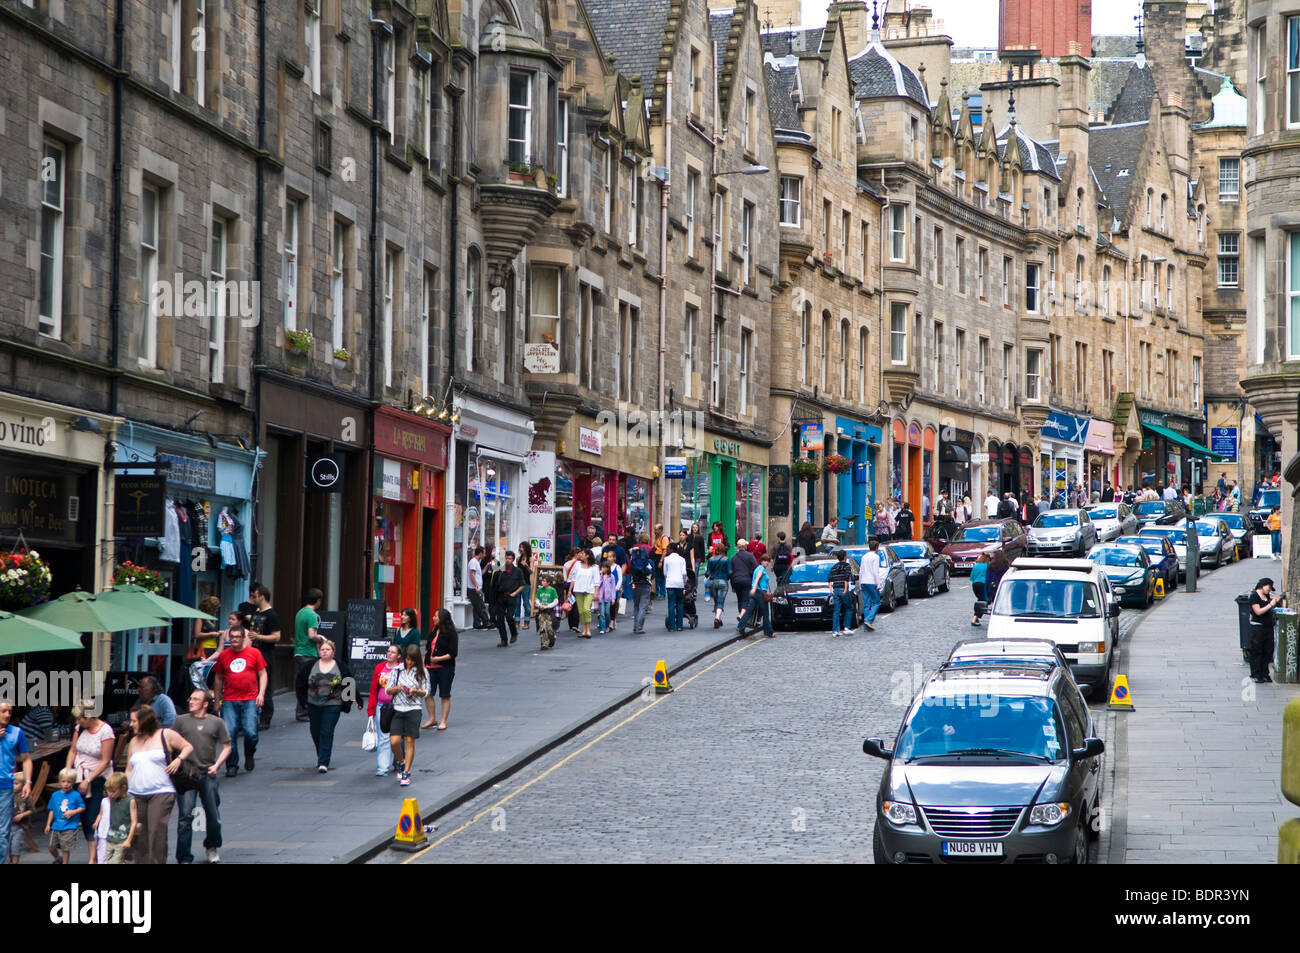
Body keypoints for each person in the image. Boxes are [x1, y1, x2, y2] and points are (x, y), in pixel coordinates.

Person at [126, 704, 193, 865]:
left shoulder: (165, 734)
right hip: (136, 793)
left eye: (134, 721)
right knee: (139, 833)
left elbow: (187, 746)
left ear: (144, 721)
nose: (131, 724)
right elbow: (129, 769)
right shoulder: (134, 741)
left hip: (161, 792)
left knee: (156, 833)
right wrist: (127, 791)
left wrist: (178, 759)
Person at [172, 688, 230, 864]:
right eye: (190, 698)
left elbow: (227, 746)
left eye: (196, 699)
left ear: (205, 704)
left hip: (207, 773)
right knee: (185, 817)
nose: (191, 701)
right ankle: (184, 856)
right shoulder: (180, 721)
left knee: (213, 815)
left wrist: (217, 765)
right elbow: (170, 743)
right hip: (186, 775)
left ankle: (212, 845)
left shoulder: (216, 723)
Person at [212, 626, 267, 777]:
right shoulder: (224, 656)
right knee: (229, 733)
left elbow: (262, 674)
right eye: (232, 637)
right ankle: (232, 765)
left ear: (243, 638)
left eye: (237, 637)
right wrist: (217, 701)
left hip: (250, 698)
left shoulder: (254, 653)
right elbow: (218, 678)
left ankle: (249, 754)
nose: (234, 639)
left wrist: (261, 694)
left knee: (251, 732)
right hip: (229, 699)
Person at [64, 702, 114, 849]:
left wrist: (89, 780)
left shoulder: (105, 731)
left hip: (98, 778)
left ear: (90, 715)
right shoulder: (79, 729)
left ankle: (97, 854)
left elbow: (106, 761)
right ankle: (93, 853)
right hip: (79, 776)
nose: (77, 722)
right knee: (84, 818)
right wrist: (68, 770)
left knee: (93, 816)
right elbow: (73, 750)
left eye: (80, 718)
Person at [384, 644, 428, 786]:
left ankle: (406, 772)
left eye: (413, 660)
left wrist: (414, 691)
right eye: (408, 659)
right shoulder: (397, 670)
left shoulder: (422, 672)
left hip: (414, 709)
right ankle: (401, 762)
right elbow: (387, 690)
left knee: (409, 741)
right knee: (394, 741)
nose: (410, 662)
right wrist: (398, 688)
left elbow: (426, 692)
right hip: (398, 708)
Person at [305, 639, 349, 772]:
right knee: (315, 731)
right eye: (322, 649)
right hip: (314, 703)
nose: (324, 652)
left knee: (326, 731)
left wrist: (352, 702)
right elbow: (300, 682)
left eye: (327, 649)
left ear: (333, 652)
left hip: (333, 703)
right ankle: (321, 754)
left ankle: (323, 761)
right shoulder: (311, 665)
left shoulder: (340, 666)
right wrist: (303, 701)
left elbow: (349, 682)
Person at [0, 703, 33, 861]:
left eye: (9, 712)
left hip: (6, 787)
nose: (7, 715)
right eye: (3, 711)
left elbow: (26, 759)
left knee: (3, 832)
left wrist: (27, 782)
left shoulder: (16, 732)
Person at [248, 584, 282, 731]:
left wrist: (258, 636)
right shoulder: (258, 613)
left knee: (264, 684)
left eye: (254, 596)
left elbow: (277, 636)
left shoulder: (272, 615)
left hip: (265, 653)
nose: (252, 599)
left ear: (262, 596)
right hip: (253, 652)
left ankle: (266, 717)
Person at [367, 644, 402, 775]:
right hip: (381, 706)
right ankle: (382, 768)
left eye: (393, 652)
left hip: (397, 706)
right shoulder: (380, 667)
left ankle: (399, 762)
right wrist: (371, 709)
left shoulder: (401, 668)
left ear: (398, 656)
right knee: (384, 737)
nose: (389, 654)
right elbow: (373, 689)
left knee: (397, 737)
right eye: (388, 651)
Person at [293, 588, 324, 723]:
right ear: (318, 601)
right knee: (308, 684)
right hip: (308, 652)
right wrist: (321, 638)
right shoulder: (312, 615)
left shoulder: (300, 612)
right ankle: (303, 712)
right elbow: (312, 635)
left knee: (304, 682)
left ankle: (303, 711)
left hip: (299, 650)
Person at [93, 773, 136, 865]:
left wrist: (129, 839)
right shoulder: (112, 799)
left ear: (123, 788)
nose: (110, 794)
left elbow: (134, 821)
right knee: (107, 860)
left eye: (113, 791)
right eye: (108, 791)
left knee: (115, 862)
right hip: (110, 837)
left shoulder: (130, 801)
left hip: (122, 838)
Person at [425, 609, 458, 731]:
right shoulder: (433, 631)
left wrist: (438, 659)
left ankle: (443, 720)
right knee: (428, 693)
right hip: (430, 667)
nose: (433, 618)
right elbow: (428, 649)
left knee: (444, 694)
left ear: (442, 618)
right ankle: (432, 718)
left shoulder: (451, 633)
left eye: (436, 616)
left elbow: (453, 653)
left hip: (445, 667)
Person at [45, 768, 85, 864]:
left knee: (65, 848)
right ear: (59, 781)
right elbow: (51, 810)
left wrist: (73, 812)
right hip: (56, 825)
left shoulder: (76, 795)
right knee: (51, 847)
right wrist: (48, 824)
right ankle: (59, 858)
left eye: (69, 782)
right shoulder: (55, 795)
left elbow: (82, 807)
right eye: (63, 781)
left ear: (73, 782)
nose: (66, 784)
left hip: (69, 826)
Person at [1248, 578, 1284, 683]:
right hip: (1258, 627)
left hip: (1268, 627)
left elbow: (1269, 609)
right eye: (1268, 588)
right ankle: (1256, 673)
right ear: (1262, 585)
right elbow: (1258, 612)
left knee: (1268, 650)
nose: (1269, 591)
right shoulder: (1254, 596)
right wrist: (1270, 604)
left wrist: (1276, 604)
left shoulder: (1267, 596)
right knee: (1257, 650)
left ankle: (1265, 673)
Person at [490, 550, 526, 647]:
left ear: (513, 560)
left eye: (510, 559)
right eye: (506, 558)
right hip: (501, 596)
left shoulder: (518, 571)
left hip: (511, 596)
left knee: (509, 617)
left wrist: (515, 593)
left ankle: (514, 633)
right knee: (500, 619)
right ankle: (503, 640)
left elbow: (523, 585)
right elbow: (494, 581)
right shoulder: (500, 570)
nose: (507, 560)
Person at [737, 554, 775, 638]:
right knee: (765, 612)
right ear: (761, 561)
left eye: (768, 561)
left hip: (755, 593)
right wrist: (754, 588)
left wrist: (753, 589)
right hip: (760, 593)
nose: (767, 563)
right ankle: (769, 632)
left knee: (749, 611)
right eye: (765, 561)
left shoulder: (757, 568)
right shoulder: (761, 569)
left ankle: (740, 627)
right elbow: (757, 578)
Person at [570, 550, 600, 638]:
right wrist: (569, 590)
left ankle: (588, 629)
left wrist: (596, 592)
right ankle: (583, 630)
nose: (580, 555)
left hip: (589, 590)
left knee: (586, 609)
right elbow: (573, 578)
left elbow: (597, 581)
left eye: (582, 553)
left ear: (587, 556)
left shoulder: (594, 567)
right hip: (578, 590)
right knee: (581, 611)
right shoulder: (577, 565)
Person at [858, 538, 884, 632]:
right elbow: (875, 571)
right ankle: (868, 620)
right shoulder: (876, 557)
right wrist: (878, 583)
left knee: (867, 604)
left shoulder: (864, 556)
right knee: (877, 602)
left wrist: (860, 582)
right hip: (871, 581)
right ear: (877, 547)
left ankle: (866, 626)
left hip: (864, 581)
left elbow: (861, 571)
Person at [629, 538, 655, 634]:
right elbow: (653, 575)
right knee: (643, 607)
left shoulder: (634, 561)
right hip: (645, 585)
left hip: (635, 585)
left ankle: (635, 626)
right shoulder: (649, 562)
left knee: (636, 605)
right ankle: (639, 627)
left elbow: (630, 571)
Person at [730, 541, 759, 625]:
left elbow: (731, 573)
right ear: (745, 546)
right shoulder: (750, 556)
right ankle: (741, 615)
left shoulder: (733, 558)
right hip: (747, 580)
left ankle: (741, 616)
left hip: (736, 581)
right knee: (746, 599)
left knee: (739, 599)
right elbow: (756, 568)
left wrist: (733, 586)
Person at [829, 550, 856, 637]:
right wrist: (845, 589)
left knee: (836, 610)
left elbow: (830, 579)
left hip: (835, 589)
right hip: (843, 588)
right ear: (845, 557)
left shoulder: (834, 567)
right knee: (849, 607)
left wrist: (831, 589)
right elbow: (846, 578)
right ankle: (846, 627)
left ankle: (835, 630)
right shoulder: (847, 566)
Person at [663, 543, 688, 631]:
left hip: (670, 583)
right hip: (679, 583)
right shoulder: (682, 559)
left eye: (667, 548)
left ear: (671, 549)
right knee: (680, 604)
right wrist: (684, 581)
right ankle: (679, 625)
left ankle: (671, 626)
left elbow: (665, 573)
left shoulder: (666, 559)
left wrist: (668, 578)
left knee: (671, 604)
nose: (666, 550)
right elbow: (684, 573)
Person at [705, 543, 731, 628]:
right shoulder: (726, 560)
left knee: (716, 601)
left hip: (713, 582)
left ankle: (719, 619)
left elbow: (707, 573)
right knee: (720, 601)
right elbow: (730, 572)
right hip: (723, 582)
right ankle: (717, 618)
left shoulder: (711, 559)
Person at [467, 546, 491, 629]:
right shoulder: (473, 562)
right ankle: (486, 622)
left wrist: (487, 565)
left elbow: (480, 573)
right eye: (484, 553)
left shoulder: (477, 562)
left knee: (477, 606)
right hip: (473, 588)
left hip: (476, 588)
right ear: (480, 553)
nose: (484, 555)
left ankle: (477, 624)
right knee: (481, 606)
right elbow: (472, 574)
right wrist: (476, 586)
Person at [535, 574, 559, 649]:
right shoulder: (540, 590)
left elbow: (556, 601)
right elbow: (537, 599)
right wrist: (539, 605)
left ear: (548, 582)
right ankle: (544, 643)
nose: (542, 582)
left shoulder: (552, 590)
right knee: (542, 628)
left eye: (544, 581)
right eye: (542, 580)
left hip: (549, 612)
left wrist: (548, 606)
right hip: (541, 611)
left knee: (549, 629)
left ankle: (552, 638)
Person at [597, 563, 618, 634]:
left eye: (605, 567)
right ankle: (602, 627)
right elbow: (598, 584)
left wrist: (613, 598)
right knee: (602, 612)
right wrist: (601, 576)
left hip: (608, 597)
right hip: (601, 597)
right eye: (602, 567)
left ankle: (607, 625)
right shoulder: (600, 576)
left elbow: (613, 588)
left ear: (608, 568)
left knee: (607, 612)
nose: (603, 569)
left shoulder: (611, 577)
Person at [970, 554, 990, 626]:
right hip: (983, 584)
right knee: (984, 601)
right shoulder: (988, 566)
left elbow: (971, 578)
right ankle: (975, 618)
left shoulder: (976, 565)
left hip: (975, 585)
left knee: (980, 600)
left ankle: (976, 617)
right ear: (987, 559)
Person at [652, 524, 670, 599]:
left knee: (661, 577)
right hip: (656, 557)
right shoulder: (657, 537)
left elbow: (664, 550)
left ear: (661, 530)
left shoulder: (664, 538)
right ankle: (657, 592)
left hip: (660, 557)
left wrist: (661, 561)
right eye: (654, 529)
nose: (655, 531)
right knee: (656, 576)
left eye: (656, 530)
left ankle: (662, 593)